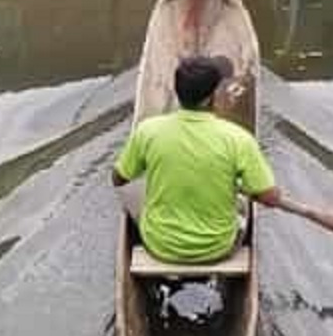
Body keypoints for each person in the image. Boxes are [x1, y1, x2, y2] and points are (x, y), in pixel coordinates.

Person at [112, 55, 281, 263]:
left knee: (139, 192)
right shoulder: (239, 139)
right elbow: (270, 198)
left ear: (177, 90)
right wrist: (239, 185)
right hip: (217, 248)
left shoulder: (148, 130)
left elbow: (118, 179)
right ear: (212, 96)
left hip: (159, 244)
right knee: (242, 206)